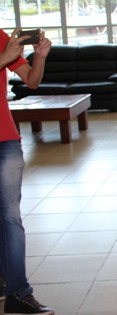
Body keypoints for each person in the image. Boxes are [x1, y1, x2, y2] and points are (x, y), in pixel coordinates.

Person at [0, 28, 55, 315]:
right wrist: (3, 58)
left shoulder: (0, 36)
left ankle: (18, 293)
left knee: (10, 218)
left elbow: (32, 81)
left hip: (5, 139)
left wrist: (40, 58)